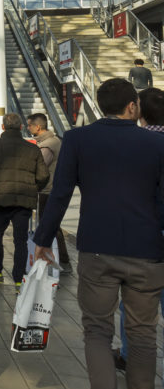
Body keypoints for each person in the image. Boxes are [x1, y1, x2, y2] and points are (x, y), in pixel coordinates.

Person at [34, 78, 164, 389]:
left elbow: (61, 193)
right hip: (147, 251)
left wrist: (43, 238)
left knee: (96, 330)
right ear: (132, 107)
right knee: (143, 332)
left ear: (100, 106)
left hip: (96, 249)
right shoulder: (158, 144)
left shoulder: (77, 139)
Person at [114, 87, 164, 371]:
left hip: (140, 236)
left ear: (138, 110)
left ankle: (128, 355)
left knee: (132, 304)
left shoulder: (134, 143)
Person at [0, 113, 48, 289]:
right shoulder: (32, 148)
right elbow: (43, 175)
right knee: (21, 241)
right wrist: (33, 189)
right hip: (22, 202)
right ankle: (19, 279)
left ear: (3, 127)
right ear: (21, 127)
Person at [26, 113, 69, 273]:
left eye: (30, 125)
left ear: (38, 127)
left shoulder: (48, 145)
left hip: (47, 190)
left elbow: (40, 167)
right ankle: (61, 260)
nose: (28, 128)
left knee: (50, 225)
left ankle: (61, 261)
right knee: (52, 225)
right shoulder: (54, 141)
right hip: (52, 189)